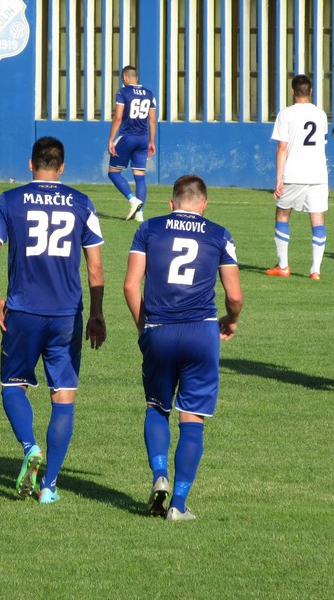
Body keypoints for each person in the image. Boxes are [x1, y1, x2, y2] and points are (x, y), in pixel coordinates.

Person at [0, 136, 106, 505]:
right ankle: (49, 486)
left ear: (31, 164)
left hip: (22, 310)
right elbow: (95, 268)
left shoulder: (9, 200)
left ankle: (30, 447)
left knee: (12, 386)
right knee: (63, 397)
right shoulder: (82, 203)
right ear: (62, 167)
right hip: (66, 314)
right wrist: (97, 313)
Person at [123, 174, 243, 521]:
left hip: (159, 330)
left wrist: (144, 328)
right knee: (192, 417)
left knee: (156, 406)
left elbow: (131, 286)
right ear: (204, 205)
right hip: (201, 333)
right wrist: (232, 319)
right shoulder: (219, 234)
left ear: (171, 203)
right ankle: (177, 504)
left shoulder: (149, 229)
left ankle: (159, 473)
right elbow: (234, 296)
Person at [264, 74, 329, 279]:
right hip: (318, 175)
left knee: (282, 215)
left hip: (294, 173)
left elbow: (282, 147)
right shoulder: (321, 115)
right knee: (317, 219)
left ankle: (283, 266)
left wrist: (278, 179)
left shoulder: (286, 114)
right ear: (311, 91)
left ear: (292, 91)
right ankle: (315, 270)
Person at [107, 65, 157, 222]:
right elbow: (152, 120)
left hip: (127, 137)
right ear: (137, 77)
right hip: (143, 139)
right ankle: (140, 214)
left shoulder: (122, 92)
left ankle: (133, 200)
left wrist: (111, 139)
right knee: (140, 177)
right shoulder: (149, 94)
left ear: (124, 78)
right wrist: (151, 141)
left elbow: (118, 117)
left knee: (113, 173)